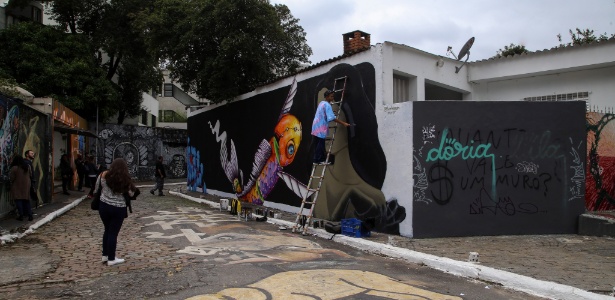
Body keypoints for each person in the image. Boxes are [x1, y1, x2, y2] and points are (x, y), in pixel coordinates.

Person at [96, 158, 139, 266]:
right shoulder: (124, 179)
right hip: (118, 207)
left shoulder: (103, 175)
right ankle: (111, 258)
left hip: (104, 206)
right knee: (113, 233)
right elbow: (131, 194)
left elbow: (96, 188)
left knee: (107, 230)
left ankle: (105, 255)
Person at [311, 89, 350, 164]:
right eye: (331, 96)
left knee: (317, 144)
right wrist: (344, 123)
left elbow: (324, 114)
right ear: (327, 97)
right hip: (321, 127)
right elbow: (332, 118)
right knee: (321, 144)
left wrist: (332, 113)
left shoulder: (321, 103)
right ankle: (320, 160)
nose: (333, 98)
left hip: (316, 126)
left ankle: (316, 160)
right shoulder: (328, 105)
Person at [10, 155, 33, 221]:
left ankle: (21, 215)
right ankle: (30, 215)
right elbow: (30, 175)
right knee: (26, 200)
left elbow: (12, 178)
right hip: (26, 185)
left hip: (17, 185)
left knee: (18, 200)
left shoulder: (14, 168)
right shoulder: (27, 167)